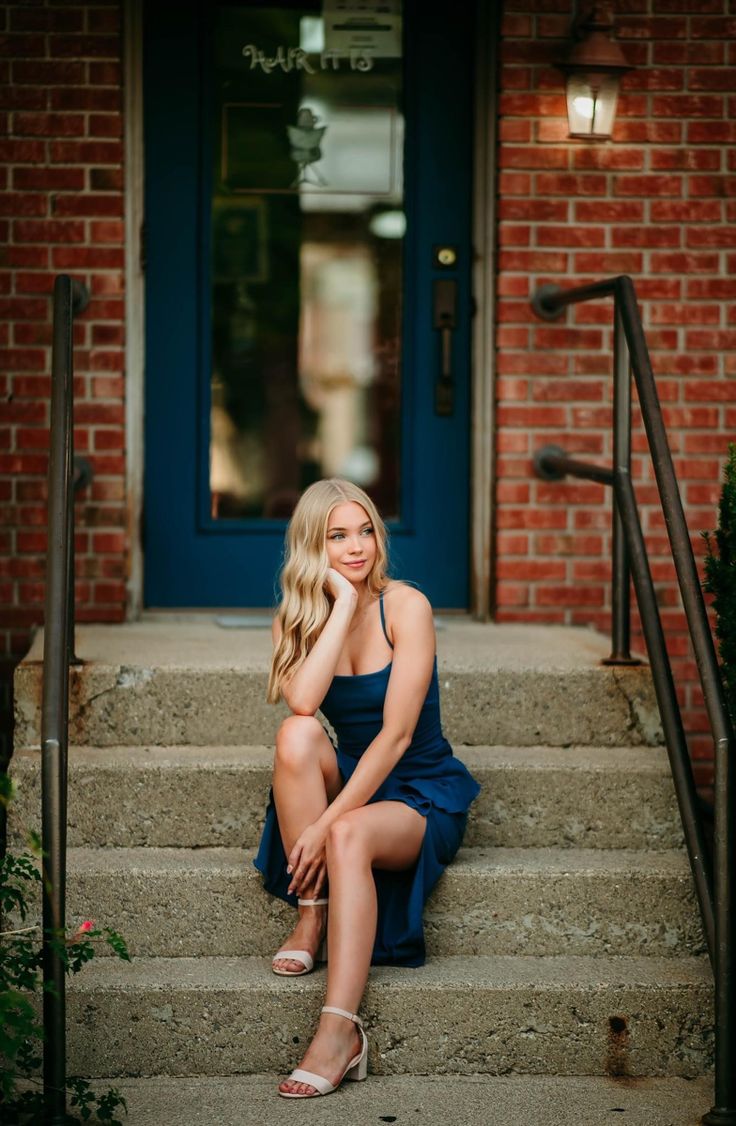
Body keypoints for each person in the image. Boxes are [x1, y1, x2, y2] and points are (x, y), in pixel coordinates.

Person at [253, 477, 481, 1099]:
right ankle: (312, 915)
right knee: (296, 735)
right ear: (312, 547)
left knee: (349, 828)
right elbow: (301, 700)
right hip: (352, 771)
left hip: (415, 790)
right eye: (337, 536)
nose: (357, 548)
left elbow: (397, 737)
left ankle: (340, 1032)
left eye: (365, 531)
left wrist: (325, 825)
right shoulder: (299, 618)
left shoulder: (407, 606)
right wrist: (342, 608)